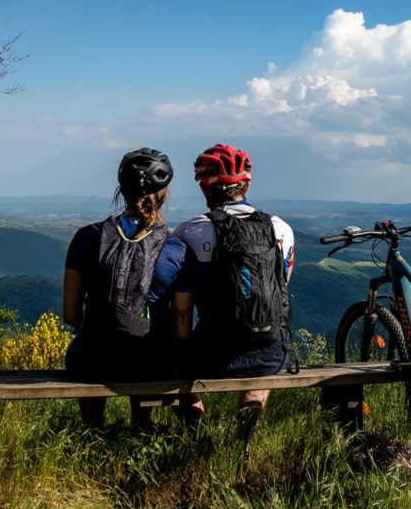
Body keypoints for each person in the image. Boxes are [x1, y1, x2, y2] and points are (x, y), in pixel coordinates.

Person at [61, 148, 190, 428]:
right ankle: (141, 426)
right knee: (153, 349)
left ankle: (92, 429)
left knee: (90, 347)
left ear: (121, 189)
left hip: (91, 360)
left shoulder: (86, 238)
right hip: (152, 362)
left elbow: (71, 315)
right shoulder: (175, 249)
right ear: (164, 194)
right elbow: (182, 326)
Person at [173, 143, 295, 421]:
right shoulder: (281, 229)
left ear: (204, 188)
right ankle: (245, 433)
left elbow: (181, 299)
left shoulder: (190, 231)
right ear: (246, 186)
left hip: (211, 352)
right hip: (270, 352)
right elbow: (281, 286)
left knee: (175, 365)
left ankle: (194, 433)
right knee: (259, 374)